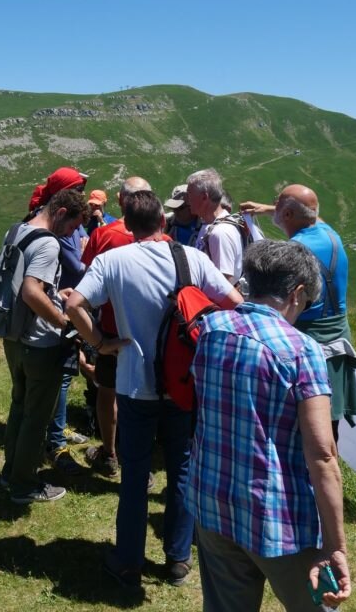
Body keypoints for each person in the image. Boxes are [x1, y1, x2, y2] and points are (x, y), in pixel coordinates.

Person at [67, 190, 242, 589]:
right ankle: (178, 559)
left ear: (127, 225)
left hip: (134, 385)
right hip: (184, 385)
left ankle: (127, 561)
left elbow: (75, 304)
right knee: (181, 469)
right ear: (163, 221)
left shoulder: (113, 260)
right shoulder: (191, 257)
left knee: (135, 474)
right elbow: (234, 302)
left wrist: (99, 343)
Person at [186, 239, 352, 611]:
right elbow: (323, 454)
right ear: (296, 293)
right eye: (306, 302)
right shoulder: (300, 349)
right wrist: (335, 546)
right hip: (278, 519)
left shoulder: (211, 329)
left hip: (212, 501)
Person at [0, 188, 98, 504]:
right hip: (38, 343)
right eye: (71, 226)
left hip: (13, 336)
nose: (71, 233)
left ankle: (10, 472)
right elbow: (31, 291)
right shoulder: (47, 243)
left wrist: (55, 293)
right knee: (37, 417)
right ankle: (24, 485)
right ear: (60, 213)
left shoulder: (18, 230)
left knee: (19, 405)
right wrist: (61, 320)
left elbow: (27, 286)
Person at [240, 185, 356, 441]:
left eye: (279, 204)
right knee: (329, 424)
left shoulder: (295, 253)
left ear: (289, 215)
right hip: (338, 341)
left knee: (304, 428)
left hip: (309, 341)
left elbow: (279, 306)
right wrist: (272, 209)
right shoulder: (330, 235)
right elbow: (312, 215)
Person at [80, 176, 154, 478]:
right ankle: (141, 462)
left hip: (111, 326)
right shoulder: (161, 237)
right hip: (148, 328)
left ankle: (109, 454)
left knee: (107, 392)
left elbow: (87, 275)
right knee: (143, 396)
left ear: (121, 200)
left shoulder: (104, 234)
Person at [186, 168, 245, 283]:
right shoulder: (209, 225)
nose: (188, 200)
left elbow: (224, 281)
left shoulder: (220, 233)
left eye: (190, 194)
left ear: (204, 197)